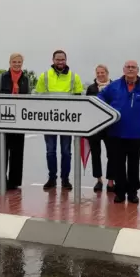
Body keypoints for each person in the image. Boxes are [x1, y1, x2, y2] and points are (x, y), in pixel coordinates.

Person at [98, 60, 140, 204]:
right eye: (128, 67)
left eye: (133, 67)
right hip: (116, 133)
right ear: (123, 69)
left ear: (137, 70)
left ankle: (133, 192)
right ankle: (120, 192)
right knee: (118, 164)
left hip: (135, 134)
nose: (130, 69)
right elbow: (100, 99)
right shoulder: (114, 86)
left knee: (134, 165)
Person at [34, 50, 84, 191]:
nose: (60, 62)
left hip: (67, 122)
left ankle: (65, 179)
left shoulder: (74, 77)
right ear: (53, 60)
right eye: (58, 59)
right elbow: (38, 98)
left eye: (62, 59)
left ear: (66, 60)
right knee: (50, 151)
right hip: (49, 121)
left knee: (66, 152)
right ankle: (51, 178)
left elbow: (79, 100)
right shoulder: (44, 77)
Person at [0, 53, 30, 190]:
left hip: (19, 121)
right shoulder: (2, 77)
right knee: (2, 152)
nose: (17, 64)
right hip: (4, 120)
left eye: (19, 62)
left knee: (17, 151)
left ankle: (15, 181)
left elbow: (28, 98)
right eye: (14, 62)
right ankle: (2, 180)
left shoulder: (25, 79)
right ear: (10, 62)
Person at [85, 64, 115, 192]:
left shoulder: (114, 87)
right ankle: (98, 180)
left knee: (112, 154)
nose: (100, 75)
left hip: (111, 127)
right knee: (95, 154)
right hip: (95, 127)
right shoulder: (91, 88)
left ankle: (111, 181)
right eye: (98, 73)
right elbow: (87, 106)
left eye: (103, 72)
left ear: (107, 73)